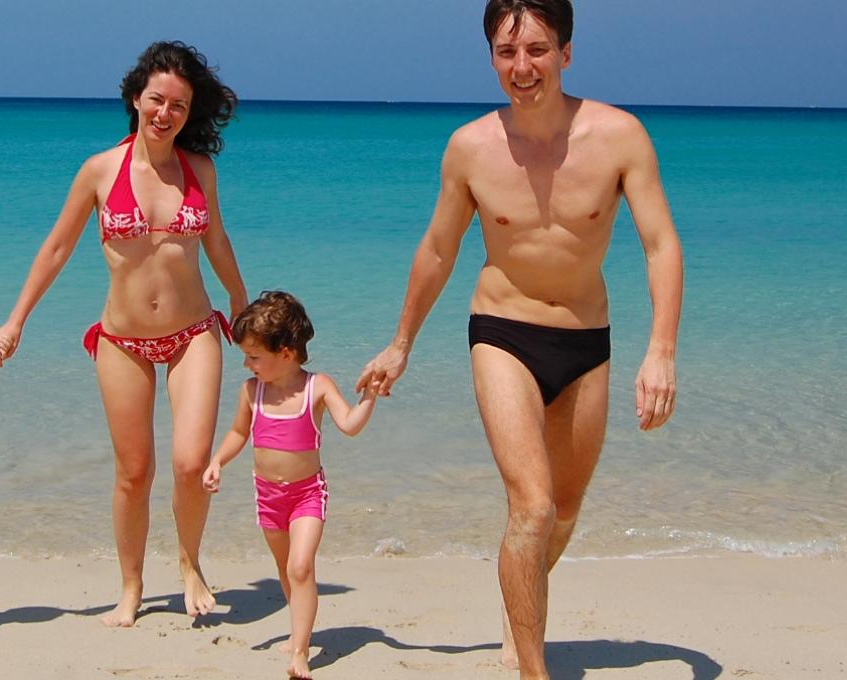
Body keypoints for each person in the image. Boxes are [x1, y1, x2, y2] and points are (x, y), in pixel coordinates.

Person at [354, 2, 684, 677]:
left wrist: (661, 351)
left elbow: (660, 245)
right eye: (507, 53)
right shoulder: (470, 147)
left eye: (536, 49)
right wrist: (400, 342)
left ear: (567, 51)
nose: (522, 67)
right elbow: (440, 250)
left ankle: (517, 598)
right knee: (530, 505)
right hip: (501, 331)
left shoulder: (620, 136)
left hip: (587, 338)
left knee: (561, 512)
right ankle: (532, 668)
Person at [0, 41, 250, 627]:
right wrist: (15, 320)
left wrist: (242, 306)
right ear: (136, 98)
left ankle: (189, 562)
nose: (165, 113)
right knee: (133, 472)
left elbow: (218, 243)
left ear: (189, 110)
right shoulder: (100, 171)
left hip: (193, 333)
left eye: (178, 105)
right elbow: (56, 248)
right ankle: (130, 586)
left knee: (189, 462)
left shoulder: (200, 170)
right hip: (122, 340)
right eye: (157, 99)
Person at [202, 291, 378, 679]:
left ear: (285, 352)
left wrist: (369, 397)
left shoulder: (317, 387)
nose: (248, 364)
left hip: (306, 494)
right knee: (285, 570)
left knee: (301, 567)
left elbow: (349, 425)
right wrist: (217, 460)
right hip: (267, 496)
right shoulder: (252, 390)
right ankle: (299, 629)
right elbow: (237, 432)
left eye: (254, 356)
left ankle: (299, 652)